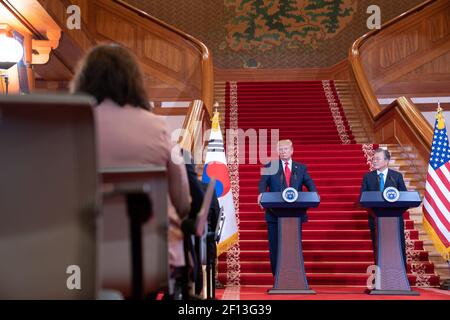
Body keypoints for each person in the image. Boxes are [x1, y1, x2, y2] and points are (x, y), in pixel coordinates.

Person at [70, 43, 191, 278]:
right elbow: (182, 202)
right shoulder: (160, 128)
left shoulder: (68, 127)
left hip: (79, 259)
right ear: (133, 81)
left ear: (82, 80)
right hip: (149, 258)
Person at [257, 139, 317, 275]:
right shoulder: (270, 166)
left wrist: (314, 194)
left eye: (286, 149)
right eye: (281, 149)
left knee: (293, 246)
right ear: (277, 152)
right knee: (275, 246)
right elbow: (262, 183)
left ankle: (295, 275)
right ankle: (278, 276)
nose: (283, 152)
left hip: (295, 214)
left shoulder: (301, 168)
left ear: (292, 151)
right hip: (274, 214)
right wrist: (261, 194)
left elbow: (309, 182)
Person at [360, 148, 408, 264]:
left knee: (398, 247)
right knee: (378, 248)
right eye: (373, 158)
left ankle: (400, 276)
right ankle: (380, 276)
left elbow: (405, 198)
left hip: (395, 220)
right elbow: (362, 198)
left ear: (386, 161)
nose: (374, 161)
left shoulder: (396, 177)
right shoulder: (368, 177)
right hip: (375, 219)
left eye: (377, 159)